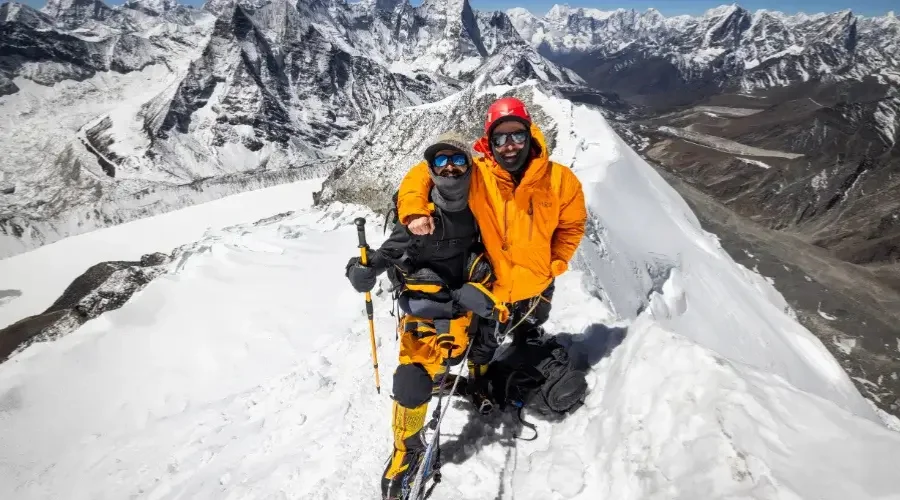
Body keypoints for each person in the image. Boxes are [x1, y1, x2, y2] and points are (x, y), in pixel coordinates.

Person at [344, 132, 510, 500]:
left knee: (485, 340)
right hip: (431, 312)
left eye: (457, 161)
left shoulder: (483, 208)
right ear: (430, 170)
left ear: (469, 167)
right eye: (440, 162)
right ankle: (407, 450)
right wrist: (359, 269)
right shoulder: (421, 218)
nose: (449, 168)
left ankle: (477, 377)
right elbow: (384, 254)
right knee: (412, 379)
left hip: (469, 304)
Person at [395, 96, 588, 384]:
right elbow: (426, 171)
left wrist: (557, 261)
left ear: (530, 133)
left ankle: (523, 345)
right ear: (490, 142)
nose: (509, 145)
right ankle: (480, 378)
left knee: (530, 325)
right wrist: (412, 211)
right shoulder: (479, 175)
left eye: (517, 135)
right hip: (489, 289)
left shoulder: (560, 180)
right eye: (500, 138)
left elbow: (572, 225)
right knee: (484, 342)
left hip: (537, 284)